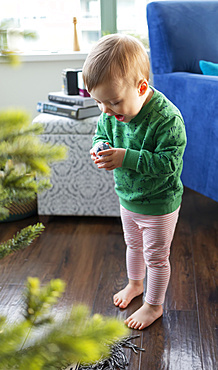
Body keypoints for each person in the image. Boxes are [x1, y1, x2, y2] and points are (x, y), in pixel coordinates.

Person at [82, 34, 187, 330]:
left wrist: (126, 158)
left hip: (158, 204)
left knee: (156, 257)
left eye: (113, 102)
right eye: (99, 102)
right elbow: (101, 132)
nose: (106, 111)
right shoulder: (110, 111)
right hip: (127, 198)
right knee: (133, 246)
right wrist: (100, 146)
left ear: (141, 88)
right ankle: (135, 284)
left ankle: (154, 306)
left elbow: (168, 164)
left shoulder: (167, 120)